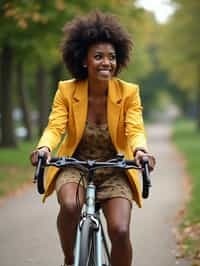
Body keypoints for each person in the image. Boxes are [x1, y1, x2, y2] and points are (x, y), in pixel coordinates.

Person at [30, 10, 156, 266]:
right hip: (74, 166)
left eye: (111, 57)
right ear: (84, 60)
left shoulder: (129, 93)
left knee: (120, 231)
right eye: (98, 56)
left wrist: (141, 151)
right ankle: (70, 258)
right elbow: (55, 126)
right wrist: (44, 147)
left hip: (114, 168)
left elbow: (134, 129)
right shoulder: (67, 90)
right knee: (69, 206)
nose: (106, 63)